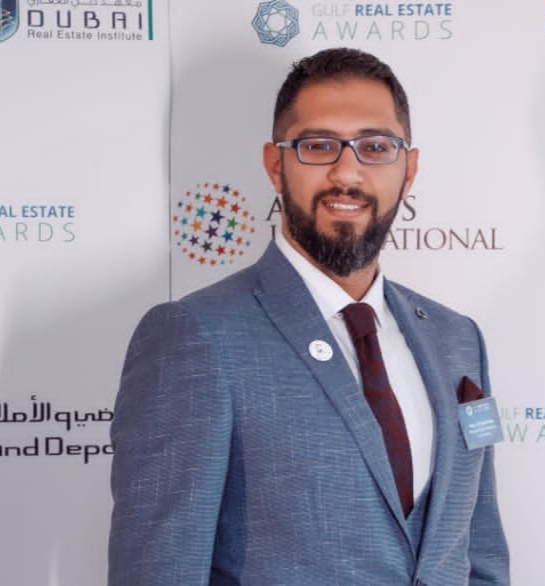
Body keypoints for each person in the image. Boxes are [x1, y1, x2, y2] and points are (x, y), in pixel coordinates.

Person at [108, 47, 509, 586]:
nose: (347, 172)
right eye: (318, 146)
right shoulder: (196, 336)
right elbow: (161, 571)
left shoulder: (457, 340)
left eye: (375, 147)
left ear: (408, 169)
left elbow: (479, 551)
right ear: (276, 165)